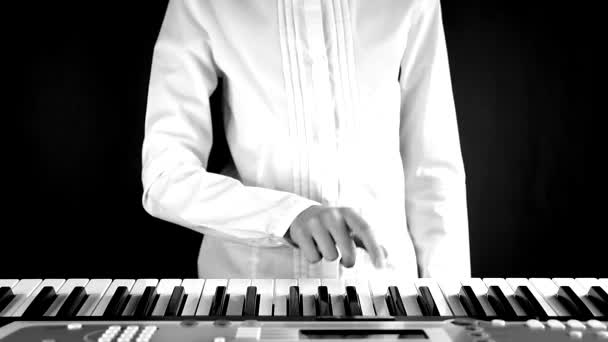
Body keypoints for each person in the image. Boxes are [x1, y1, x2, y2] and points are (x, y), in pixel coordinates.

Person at [141, 0, 470, 279]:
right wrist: (285, 216)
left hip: (387, 290)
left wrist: (453, 304)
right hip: (249, 291)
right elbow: (165, 178)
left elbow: (432, 167)